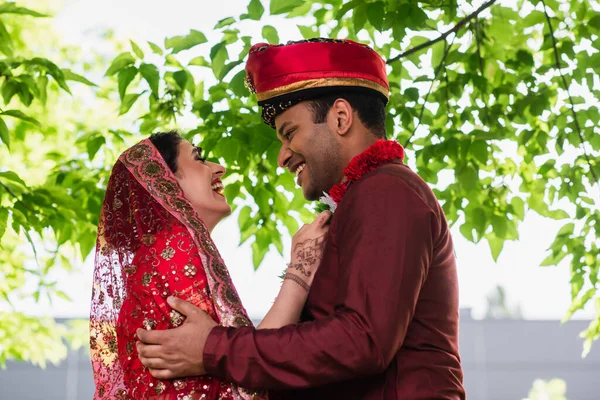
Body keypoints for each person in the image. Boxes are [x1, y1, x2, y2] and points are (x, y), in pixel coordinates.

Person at [137, 39, 466, 399]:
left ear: (340, 118)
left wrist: (213, 347)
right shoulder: (365, 197)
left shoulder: (386, 189)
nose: (282, 157)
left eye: (290, 132)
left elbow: (362, 340)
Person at [90, 131, 330, 399]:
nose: (219, 168)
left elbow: (237, 354)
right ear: (164, 184)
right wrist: (301, 267)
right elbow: (250, 367)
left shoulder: (155, 261)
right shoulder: (173, 253)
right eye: (199, 159)